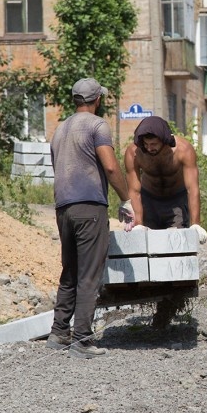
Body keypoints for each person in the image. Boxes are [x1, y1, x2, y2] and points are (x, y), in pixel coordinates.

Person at [48, 78, 135, 359]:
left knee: (70, 271)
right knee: (89, 274)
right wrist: (125, 199)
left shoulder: (60, 129)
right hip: (90, 208)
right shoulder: (98, 126)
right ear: (97, 99)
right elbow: (110, 167)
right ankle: (82, 340)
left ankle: (59, 332)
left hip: (64, 208)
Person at [124, 115, 206, 329]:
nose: (150, 148)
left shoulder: (183, 150)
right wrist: (139, 222)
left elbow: (192, 188)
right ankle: (150, 293)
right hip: (149, 200)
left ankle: (168, 306)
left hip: (175, 201)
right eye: (146, 144)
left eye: (154, 144)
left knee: (174, 251)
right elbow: (134, 189)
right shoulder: (134, 153)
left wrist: (195, 223)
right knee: (149, 250)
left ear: (164, 141)